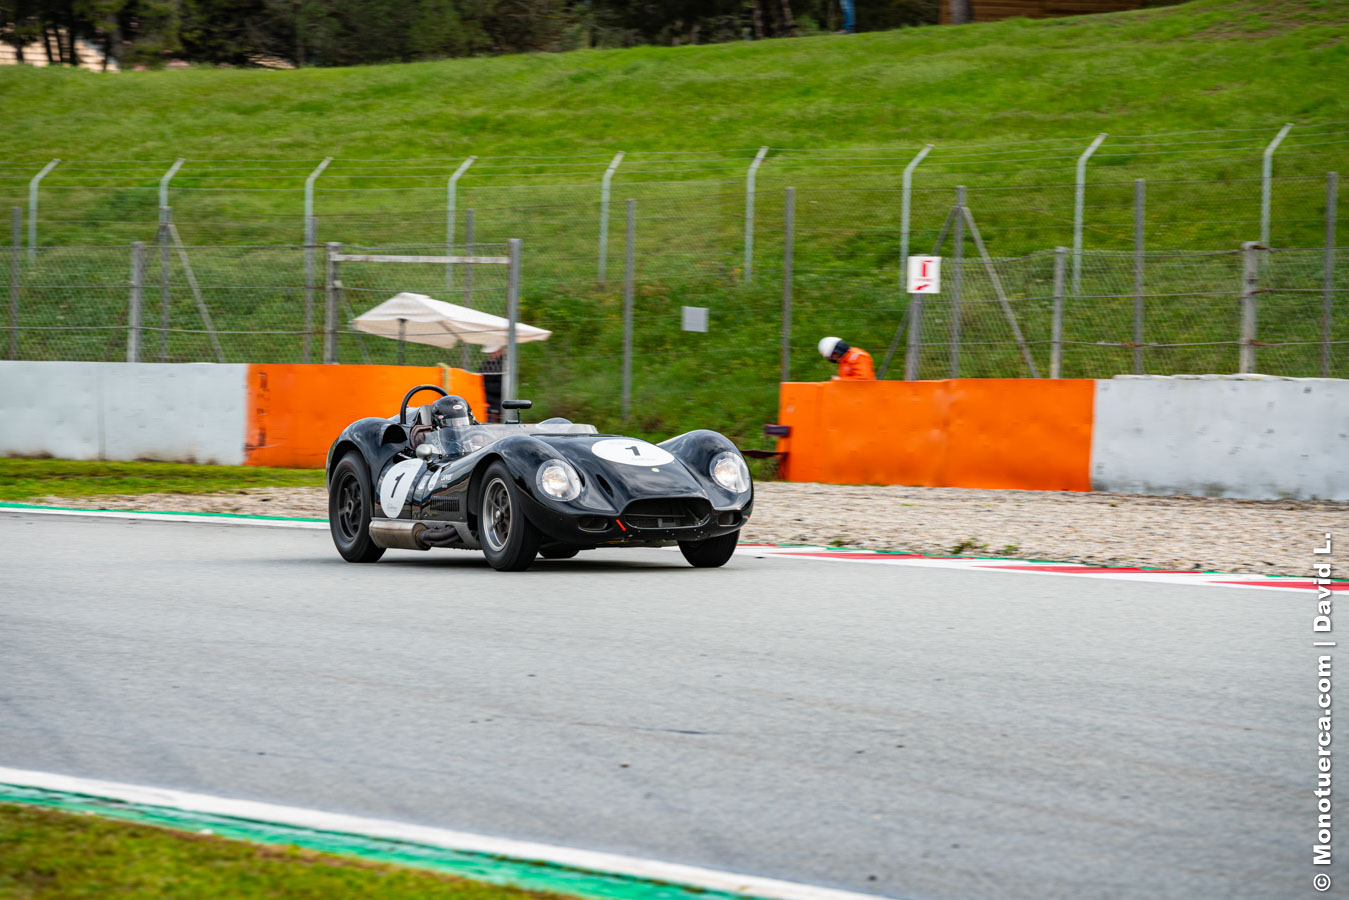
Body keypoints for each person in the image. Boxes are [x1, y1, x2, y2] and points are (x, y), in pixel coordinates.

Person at [480, 347, 504, 423]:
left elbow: (501, 388)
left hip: (496, 402)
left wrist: (484, 386)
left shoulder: (503, 364)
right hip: (483, 399)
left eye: (493, 352)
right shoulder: (486, 364)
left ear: (500, 350)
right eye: (490, 352)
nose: (491, 354)